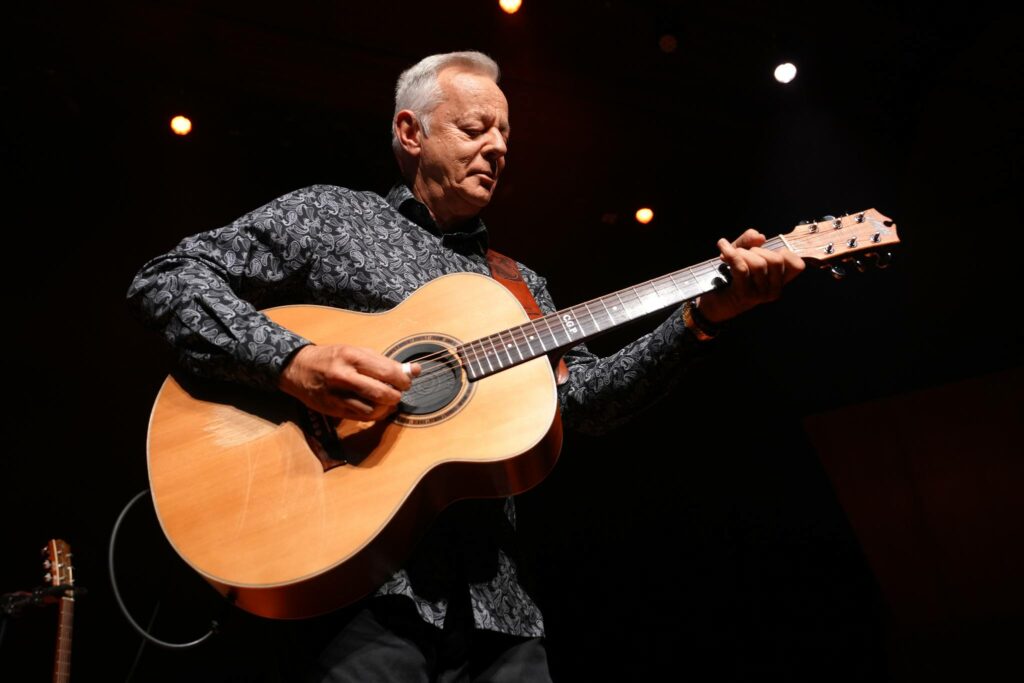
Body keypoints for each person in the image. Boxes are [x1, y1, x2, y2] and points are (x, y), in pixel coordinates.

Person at [128, 50, 804, 682]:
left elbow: (588, 401)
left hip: (498, 614)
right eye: (477, 126)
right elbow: (168, 277)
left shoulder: (518, 285)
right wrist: (293, 361)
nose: (500, 146)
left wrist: (704, 317)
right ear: (411, 131)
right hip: (354, 593)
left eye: (506, 132)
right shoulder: (334, 216)